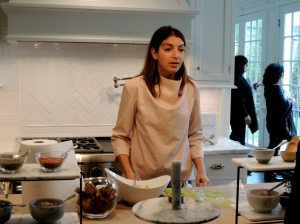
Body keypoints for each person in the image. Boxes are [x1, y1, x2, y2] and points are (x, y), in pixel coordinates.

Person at [111, 25, 209, 187]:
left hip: (181, 181)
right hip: (143, 181)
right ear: (154, 53)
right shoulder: (135, 86)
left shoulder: (191, 88)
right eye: (168, 49)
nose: (176, 55)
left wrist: (201, 170)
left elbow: (194, 134)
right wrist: (128, 173)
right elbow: (120, 136)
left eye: (181, 49)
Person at [263, 63, 296, 182]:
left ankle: (270, 172)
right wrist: (291, 101)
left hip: (272, 120)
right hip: (278, 122)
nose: (282, 75)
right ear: (278, 75)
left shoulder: (268, 86)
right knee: (276, 145)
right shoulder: (276, 88)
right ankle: (272, 172)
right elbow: (282, 105)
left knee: (274, 145)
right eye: (281, 73)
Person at [230, 55, 259, 145]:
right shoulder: (237, 78)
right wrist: (245, 114)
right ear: (241, 65)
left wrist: (253, 87)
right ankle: (237, 157)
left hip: (238, 114)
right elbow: (238, 99)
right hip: (239, 115)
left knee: (238, 136)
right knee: (238, 137)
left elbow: (243, 91)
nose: (247, 66)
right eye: (246, 64)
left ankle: (237, 156)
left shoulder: (238, 77)